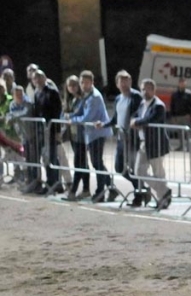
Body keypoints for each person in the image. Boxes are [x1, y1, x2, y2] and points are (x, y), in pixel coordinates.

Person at [98, 70, 143, 203]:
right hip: (121, 139)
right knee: (119, 168)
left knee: (134, 168)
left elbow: (138, 114)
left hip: (133, 138)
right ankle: (141, 188)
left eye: (126, 81)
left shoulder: (136, 97)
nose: (124, 84)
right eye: (121, 81)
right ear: (117, 84)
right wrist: (104, 124)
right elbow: (115, 119)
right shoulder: (118, 98)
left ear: (130, 82)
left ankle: (139, 195)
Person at [71, 71, 114, 203]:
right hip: (91, 134)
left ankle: (100, 192)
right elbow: (79, 111)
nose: (84, 85)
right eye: (82, 82)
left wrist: (73, 120)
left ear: (92, 82)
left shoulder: (94, 97)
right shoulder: (87, 96)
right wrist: (70, 116)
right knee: (98, 163)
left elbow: (87, 117)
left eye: (87, 82)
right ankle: (111, 189)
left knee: (97, 163)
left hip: (98, 134)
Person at [131, 79, 172, 210]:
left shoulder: (159, 105)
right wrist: (135, 121)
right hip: (144, 143)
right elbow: (135, 115)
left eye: (148, 89)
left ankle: (163, 199)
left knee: (158, 172)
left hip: (156, 143)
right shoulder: (142, 103)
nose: (145, 91)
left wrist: (137, 123)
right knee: (138, 170)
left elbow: (151, 119)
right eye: (143, 89)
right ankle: (165, 191)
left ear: (154, 90)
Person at [30, 69, 63, 194]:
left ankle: (53, 183)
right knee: (46, 157)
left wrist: (58, 131)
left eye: (39, 77)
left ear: (45, 78)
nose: (37, 80)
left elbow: (57, 112)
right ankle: (53, 182)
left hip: (51, 130)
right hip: (41, 130)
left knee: (51, 157)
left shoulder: (52, 92)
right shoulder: (36, 93)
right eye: (35, 78)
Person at [61, 75, 89, 200]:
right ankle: (86, 189)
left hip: (82, 135)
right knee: (82, 163)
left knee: (79, 162)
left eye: (74, 85)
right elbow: (64, 114)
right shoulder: (70, 100)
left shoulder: (82, 99)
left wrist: (68, 116)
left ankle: (74, 190)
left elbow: (79, 114)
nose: (72, 88)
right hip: (73, 135)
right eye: (69, 85)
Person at [168, 77, 191, 151]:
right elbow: (172, 105)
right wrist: (172, 115)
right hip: (177, 116)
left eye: (183, 83)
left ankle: (189, 147)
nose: (182, 84)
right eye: (181, 83)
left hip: (185, 116)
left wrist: (190, 114)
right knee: (180, 133)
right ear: (179, 84)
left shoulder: (188, 94)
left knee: (188, 133)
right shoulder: (175, 94)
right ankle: (181, 146)